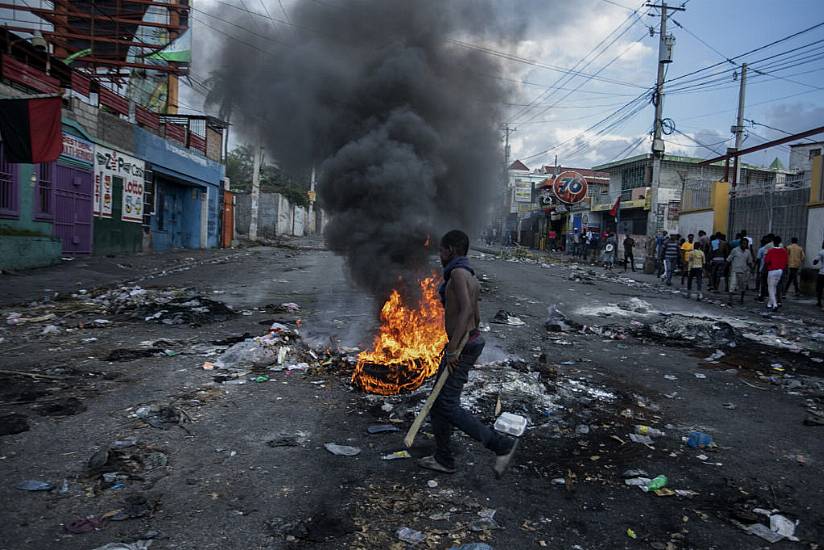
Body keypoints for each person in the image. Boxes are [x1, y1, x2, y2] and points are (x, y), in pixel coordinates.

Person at [419, 230, 517, 477]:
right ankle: (443, 457)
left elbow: (464, 312)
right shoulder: (470, 274)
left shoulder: (459, 274)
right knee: (439, 402)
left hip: (462, 347)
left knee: (447, 404)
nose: (440, 256)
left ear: (451, 249)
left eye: (441, 250)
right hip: (466, 342)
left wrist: (454, 349)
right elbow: (477, 314)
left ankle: (501, 445)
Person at [764, 235, 787, 310]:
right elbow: (786, 262)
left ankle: (774, 304)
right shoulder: (783, 251)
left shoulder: (771, 251)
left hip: (772, 270)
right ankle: (769, 304)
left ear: (773, 242)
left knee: (770, 288)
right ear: (780, 242)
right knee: (774, 287)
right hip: (780, 270)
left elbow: (767, 261)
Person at [727, 238, 753, 304]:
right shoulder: (735, 250)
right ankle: (730, 300)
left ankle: (741, 299)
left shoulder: (748, 252)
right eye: (743, 243)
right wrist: (726, 268)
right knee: (732, 286)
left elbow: (749, 262)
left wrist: (752, 269)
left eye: (746, 244)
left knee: (743, 286)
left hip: (743, 271)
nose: (744, 245)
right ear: (740, 244)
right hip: (735, 270)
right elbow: (729, 259)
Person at [756, 234, 774, 302]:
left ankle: (762, 296)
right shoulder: (767, 248)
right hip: (768, 268)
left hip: (765, 268)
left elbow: (758, 260)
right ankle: (764, 295)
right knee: (767, 283)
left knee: (763, 283)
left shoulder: (762, 249)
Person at [814, 239, 824, 308]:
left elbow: (815, 262)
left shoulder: (822, 252)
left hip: (822, 273)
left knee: (819, 288)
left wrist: (814, 261)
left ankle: (819, 302)